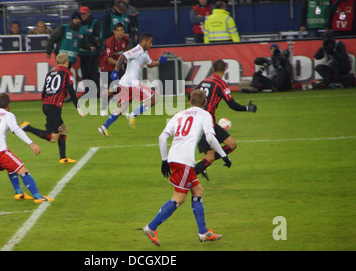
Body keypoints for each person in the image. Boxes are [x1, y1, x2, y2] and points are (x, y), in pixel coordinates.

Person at [143, 89, 228, 246]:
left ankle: (203, 232)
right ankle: (151, 227)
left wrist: (164, 160)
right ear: (205, 103)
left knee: (197, 190)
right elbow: (210, 138)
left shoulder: (179, 114)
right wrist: (224, 155)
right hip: (184, 161)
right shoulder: (205, 115)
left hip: (175, 158)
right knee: (179, 198)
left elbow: (162, 137)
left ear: (190, 102)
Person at [193, 60, 257, 180]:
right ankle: (189, 176)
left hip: (207, 122)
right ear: (225, 70)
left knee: (231, 145)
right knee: (211, 157)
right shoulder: (221, 84)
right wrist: (247, 108)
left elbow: (190, 95)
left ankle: (201, 166)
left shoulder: (204, 81)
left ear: (212, 69)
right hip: (205, 125)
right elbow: (232, 104)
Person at [98, 32, 167, 136]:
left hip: (125, 83)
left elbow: (150, 64)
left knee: (122, 108)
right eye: (150, 42)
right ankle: (133, 115)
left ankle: (104, 127)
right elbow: (122, 56)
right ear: (144, 41)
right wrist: (116, 71)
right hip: (132, 83)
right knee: (154, 98)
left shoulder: (144, 53)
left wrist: (159, 62)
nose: (151, 44)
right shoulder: (137, 50)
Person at [20, 53, 85, 164]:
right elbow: (71, 91)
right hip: (54, 107)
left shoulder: (50, 73)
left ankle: (63, 158)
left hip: (47, 105)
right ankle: (27, 127)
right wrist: (78, 107)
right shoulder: (67, 73)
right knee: (52, 137)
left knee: (63, 130)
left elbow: (44, 91)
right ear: (67, 62)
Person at [99, 22, 130, 116]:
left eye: (122, 30)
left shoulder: (125, 40)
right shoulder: (110, 42)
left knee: (121, 87)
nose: (120, 32)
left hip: (118, 68)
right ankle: (103, 109)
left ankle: (120, 107)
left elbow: (128, 52)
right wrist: (120, 64)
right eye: (118, 30)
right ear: (114, 31)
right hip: (106, 67)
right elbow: (109, 59)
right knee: (108, 89)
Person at [78, 6, 101, 90]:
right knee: (84, 72)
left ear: (89, 13)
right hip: (82, 53)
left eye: (84, 14)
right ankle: (87, 91)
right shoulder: (79, 23)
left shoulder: (95, 22)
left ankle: (95, 90)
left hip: (93, 53)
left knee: (93, 71)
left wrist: (86, 39)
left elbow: (97, 37)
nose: (83, 16)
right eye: (81, 14)